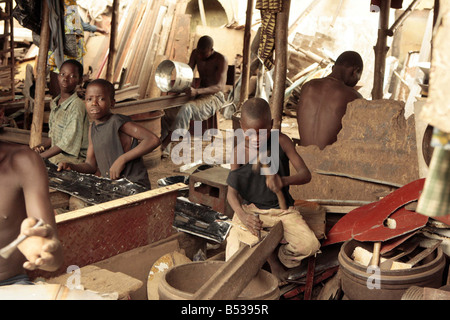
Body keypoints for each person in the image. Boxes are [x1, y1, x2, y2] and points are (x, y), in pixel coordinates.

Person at [225, 98, 320, 284]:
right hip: (251, 210)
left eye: (262, 132)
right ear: (241, 128)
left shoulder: (282, 141)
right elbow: (231, 194)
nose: (256, 139)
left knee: (310, 246)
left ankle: (280, 255)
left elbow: (305, 174)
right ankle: (270, 259)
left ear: (271, 124)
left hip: (281, 211)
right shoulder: (239, 152)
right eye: (250, 133)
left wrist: (283, 180)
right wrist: (243, 215)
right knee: (233, 257)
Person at [57, 79, 161, 189]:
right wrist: (71, 166)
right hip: (114, 187)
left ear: (112, 103)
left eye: (101, 99)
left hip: (133, 185)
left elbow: (153, 140)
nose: (94, 103)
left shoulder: (116, 121)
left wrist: (122, 159)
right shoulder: (93, 128)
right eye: (89, 99)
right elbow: (90, 166)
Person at [0, 141, 63, 286]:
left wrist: (45, 253)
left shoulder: (22, 161)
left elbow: (54, 260)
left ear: (2, 116)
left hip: (9, 285)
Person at [161, 35, 228, 152]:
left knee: (187, 108)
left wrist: (197, 91)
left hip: (215, 97)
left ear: (211, 50)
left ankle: (164, 144)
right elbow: (188, 71)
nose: (200, 56)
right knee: (167, 111)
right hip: (199, 93)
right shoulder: (196, 54)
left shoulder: (221, 59)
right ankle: (165, 150)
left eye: (204, 53)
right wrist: (182, 86)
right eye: (199, 52)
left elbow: (219, 86)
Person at [296, 51, 363, 150]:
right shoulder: (353, 97)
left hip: (303, 157)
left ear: (333, 67)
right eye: (358, 77)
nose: (356, 82)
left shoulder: (307, 86)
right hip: (328, 161)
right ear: (355, 71)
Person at [34, 59, 89, 165]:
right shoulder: (55, 103)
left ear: (80, 80)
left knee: (34, 168)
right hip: (57, 154)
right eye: (62, 74)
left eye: (72, 76)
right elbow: (55, 137)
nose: (65, 79)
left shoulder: (76, 106)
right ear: (58, 76)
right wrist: (41, 147)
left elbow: (66, 143)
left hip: (72, 159)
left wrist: (39, 157)